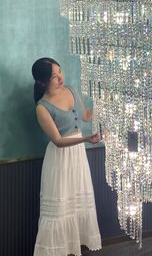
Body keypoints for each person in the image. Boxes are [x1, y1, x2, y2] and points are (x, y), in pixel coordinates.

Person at [32, 57, 102, 256]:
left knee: (76, 202)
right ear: (42, 81)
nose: (60, 78)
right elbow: (58, 141)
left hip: (78, 156)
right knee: (61, 205)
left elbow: (85, 116)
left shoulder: (70, 90)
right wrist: (86, 139)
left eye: (59, 72)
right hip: (60, 159)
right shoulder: (42, 107)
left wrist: (104, 106)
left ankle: (73, 248)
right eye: (54, 76)